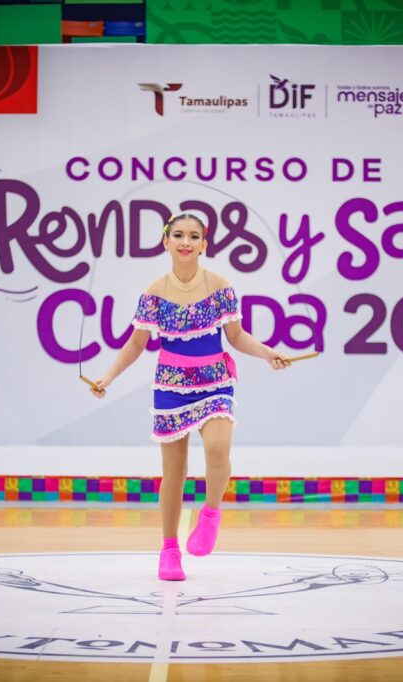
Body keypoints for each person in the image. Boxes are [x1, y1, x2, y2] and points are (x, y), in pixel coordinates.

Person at [90, 214, 291, 581]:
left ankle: (210, 514)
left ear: (204, 244)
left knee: (218, 448)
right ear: (166, 242)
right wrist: (109, 376)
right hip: (171, 386)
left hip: (215, 381)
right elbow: (136, 343)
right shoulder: (154, 293)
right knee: (174, 472)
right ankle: (169, 550)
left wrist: (267, 353)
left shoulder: (220, 286)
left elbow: (236, 336)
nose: (186, 242)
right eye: (179, 235)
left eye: (194, 236)